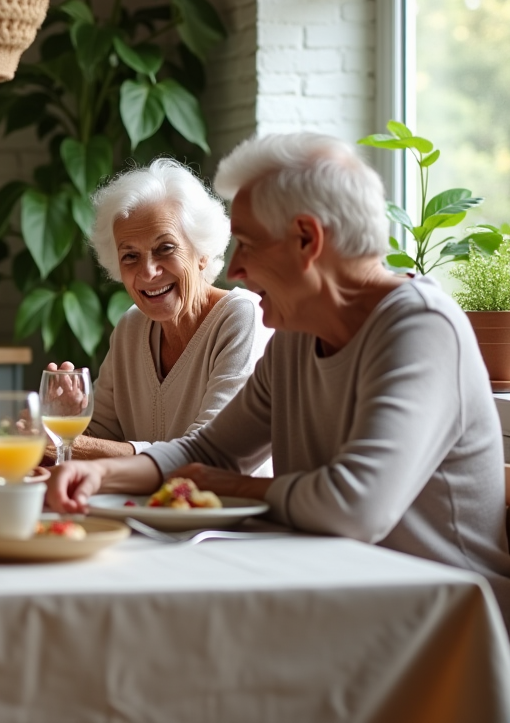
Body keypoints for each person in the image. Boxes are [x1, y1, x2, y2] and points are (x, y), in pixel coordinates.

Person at [47, 133, 510, 620]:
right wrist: (99, 472)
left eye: (247, 243)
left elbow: (355, 508)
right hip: (339, 591)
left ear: (307, 240)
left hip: (443, 618)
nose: (237, 267)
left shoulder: (421, 329)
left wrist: (233, 487)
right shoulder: (297, 331)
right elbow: (207, 450)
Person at [49, 158, 269, 460]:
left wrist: (69, 445)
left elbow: (211, 455)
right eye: (130, 256)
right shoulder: (131, 328)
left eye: (165, 248)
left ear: (201, 252)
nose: (148, 271)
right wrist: (67, 425)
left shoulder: (242, 319)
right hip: (139, 507)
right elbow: (101, 435)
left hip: (225, 506)